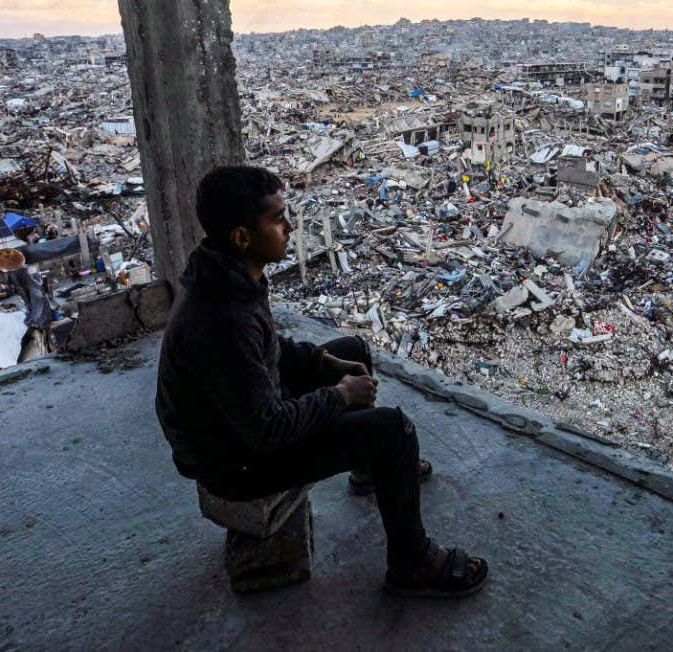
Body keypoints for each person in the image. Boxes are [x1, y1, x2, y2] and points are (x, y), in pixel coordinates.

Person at [155, 165, 488, 598]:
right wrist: (339, 395)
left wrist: (327, 362)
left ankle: (370, 470)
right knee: (394, 430)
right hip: (234, 463)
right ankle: (413, 563)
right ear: (242, 236)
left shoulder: (227, 276)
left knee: (352, 351)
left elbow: (270, 349)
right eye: (277, 219)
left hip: (237, 424)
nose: (289, 227)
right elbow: (267, 430)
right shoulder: (222, 318)